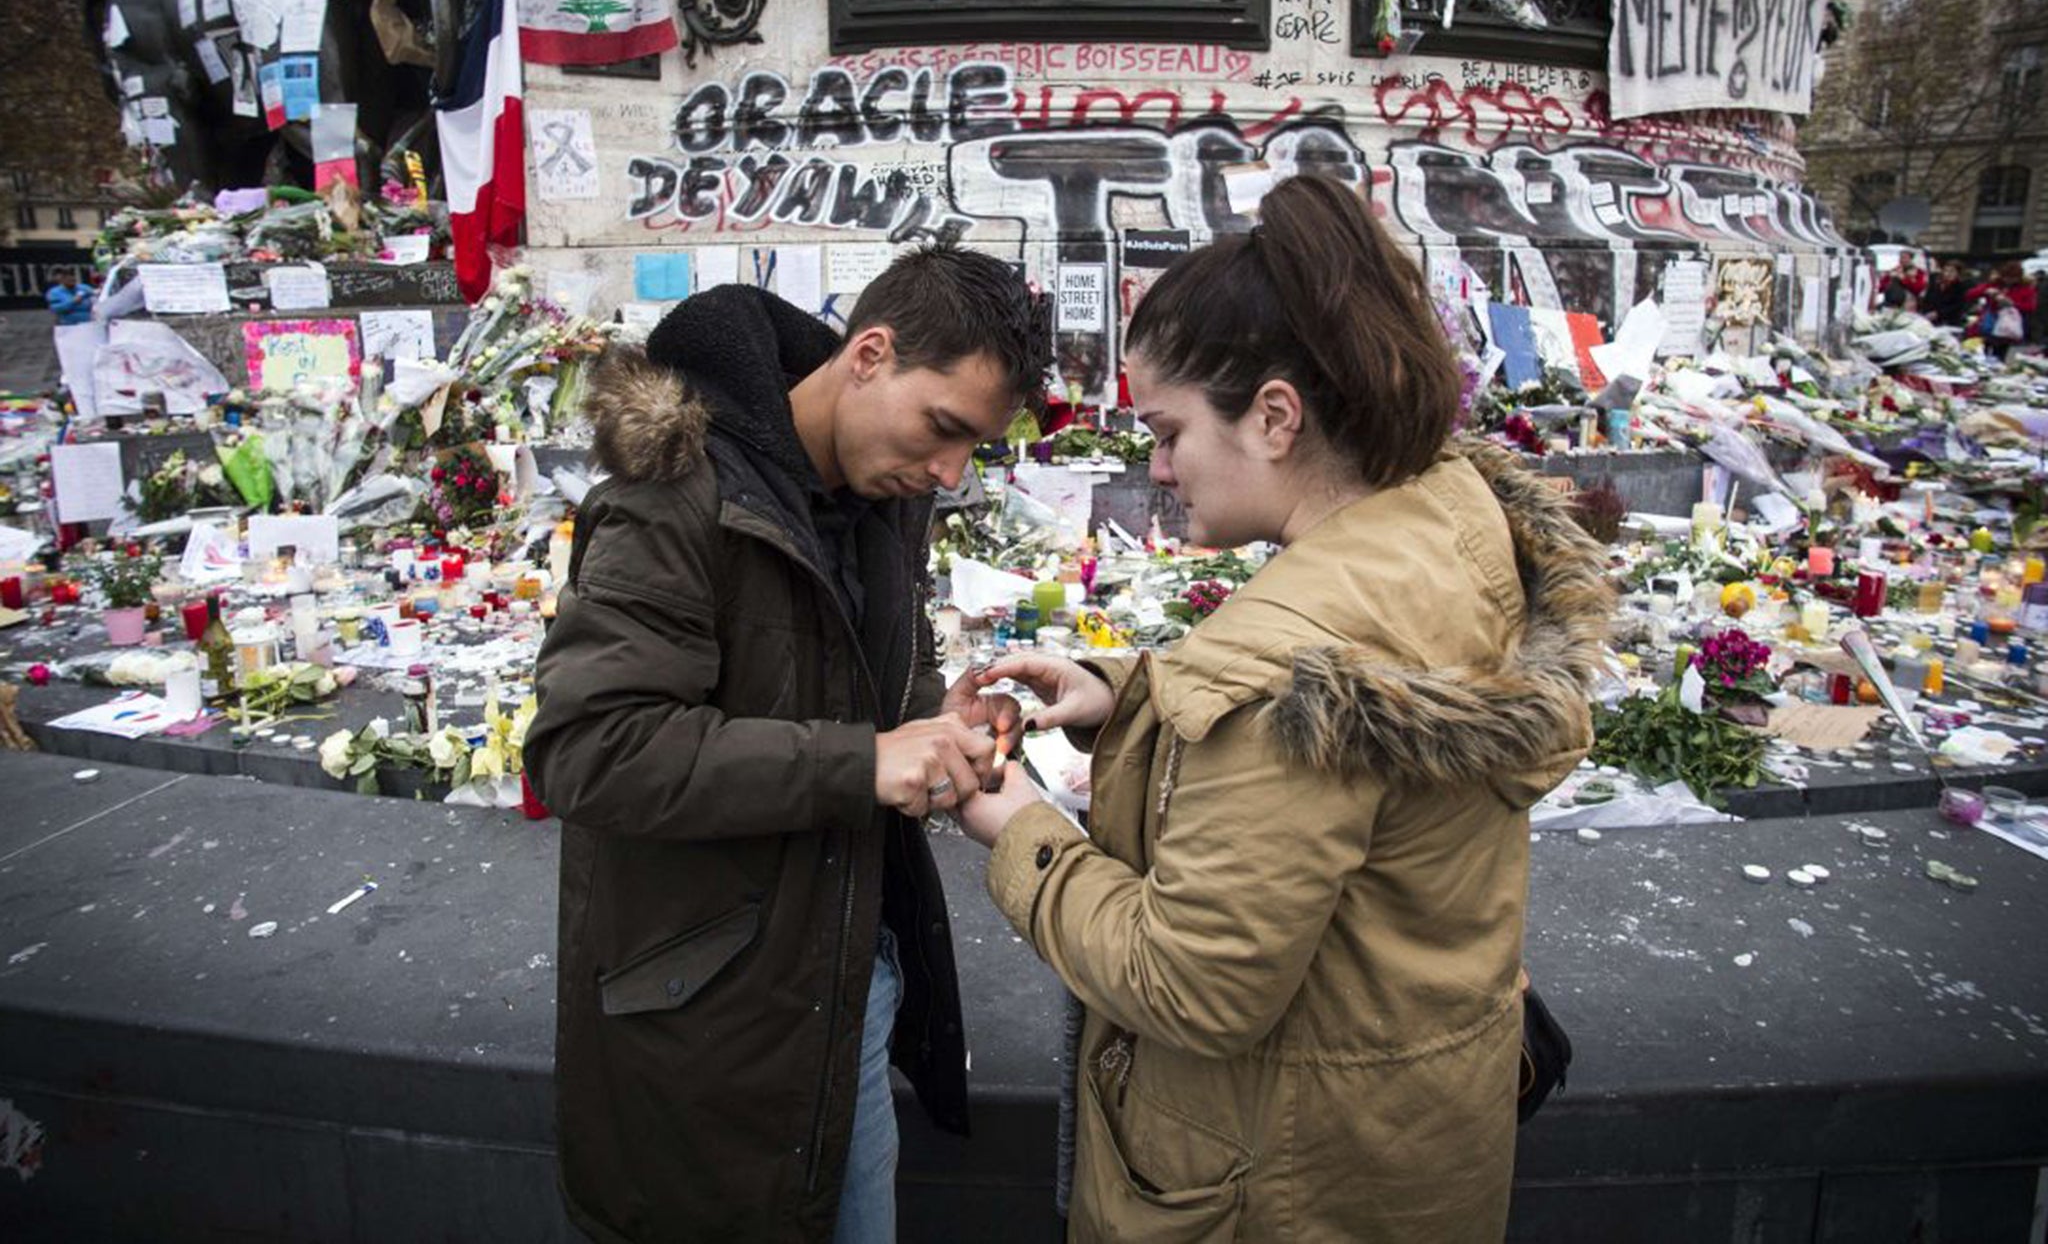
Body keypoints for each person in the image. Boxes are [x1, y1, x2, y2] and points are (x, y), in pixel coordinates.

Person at [956, 175, 1613, 1242]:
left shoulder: (1281, 670)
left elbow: (1188, 986)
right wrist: (1123, 699)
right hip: (1404, 1147)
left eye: (1168, 431)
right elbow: (1361, 741)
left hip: (1271, 1188)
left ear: (1272, 416)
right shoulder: (1442, 520)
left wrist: (1013, 827)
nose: (1157, 469)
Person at [525, 248, 1048, 1243]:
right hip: (709, 1018)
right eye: (943, 430)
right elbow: (589, 748)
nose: (948, 471)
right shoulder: (674, 489)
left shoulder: (881, 489)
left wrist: (938, 718)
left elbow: (879, 654)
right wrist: (861, 761)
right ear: (869, 353)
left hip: (842, 981)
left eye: (971, 448)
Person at [1968, 261, 2036, 359]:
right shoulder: (1995, 284)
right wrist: (1986, 291)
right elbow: (1970, 294)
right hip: (1991, 325)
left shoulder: (2026, 289)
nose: (2008, 280)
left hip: (2008, 329)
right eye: (2006, 277)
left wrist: (2013, 304)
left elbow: (2030, 307)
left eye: (2012, 278)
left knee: (2002, 354)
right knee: (1985, 352)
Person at [1919, 258, 1969, 328]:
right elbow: (1927, 299)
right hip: (1931, 320)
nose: (1947, 274)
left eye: (1951, 271)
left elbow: (1957, 306)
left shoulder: (1961, 286)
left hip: (1950, 322)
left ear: (1958, 273)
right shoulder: (1935, 283)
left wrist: (1938, 313)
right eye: (1945, 270)